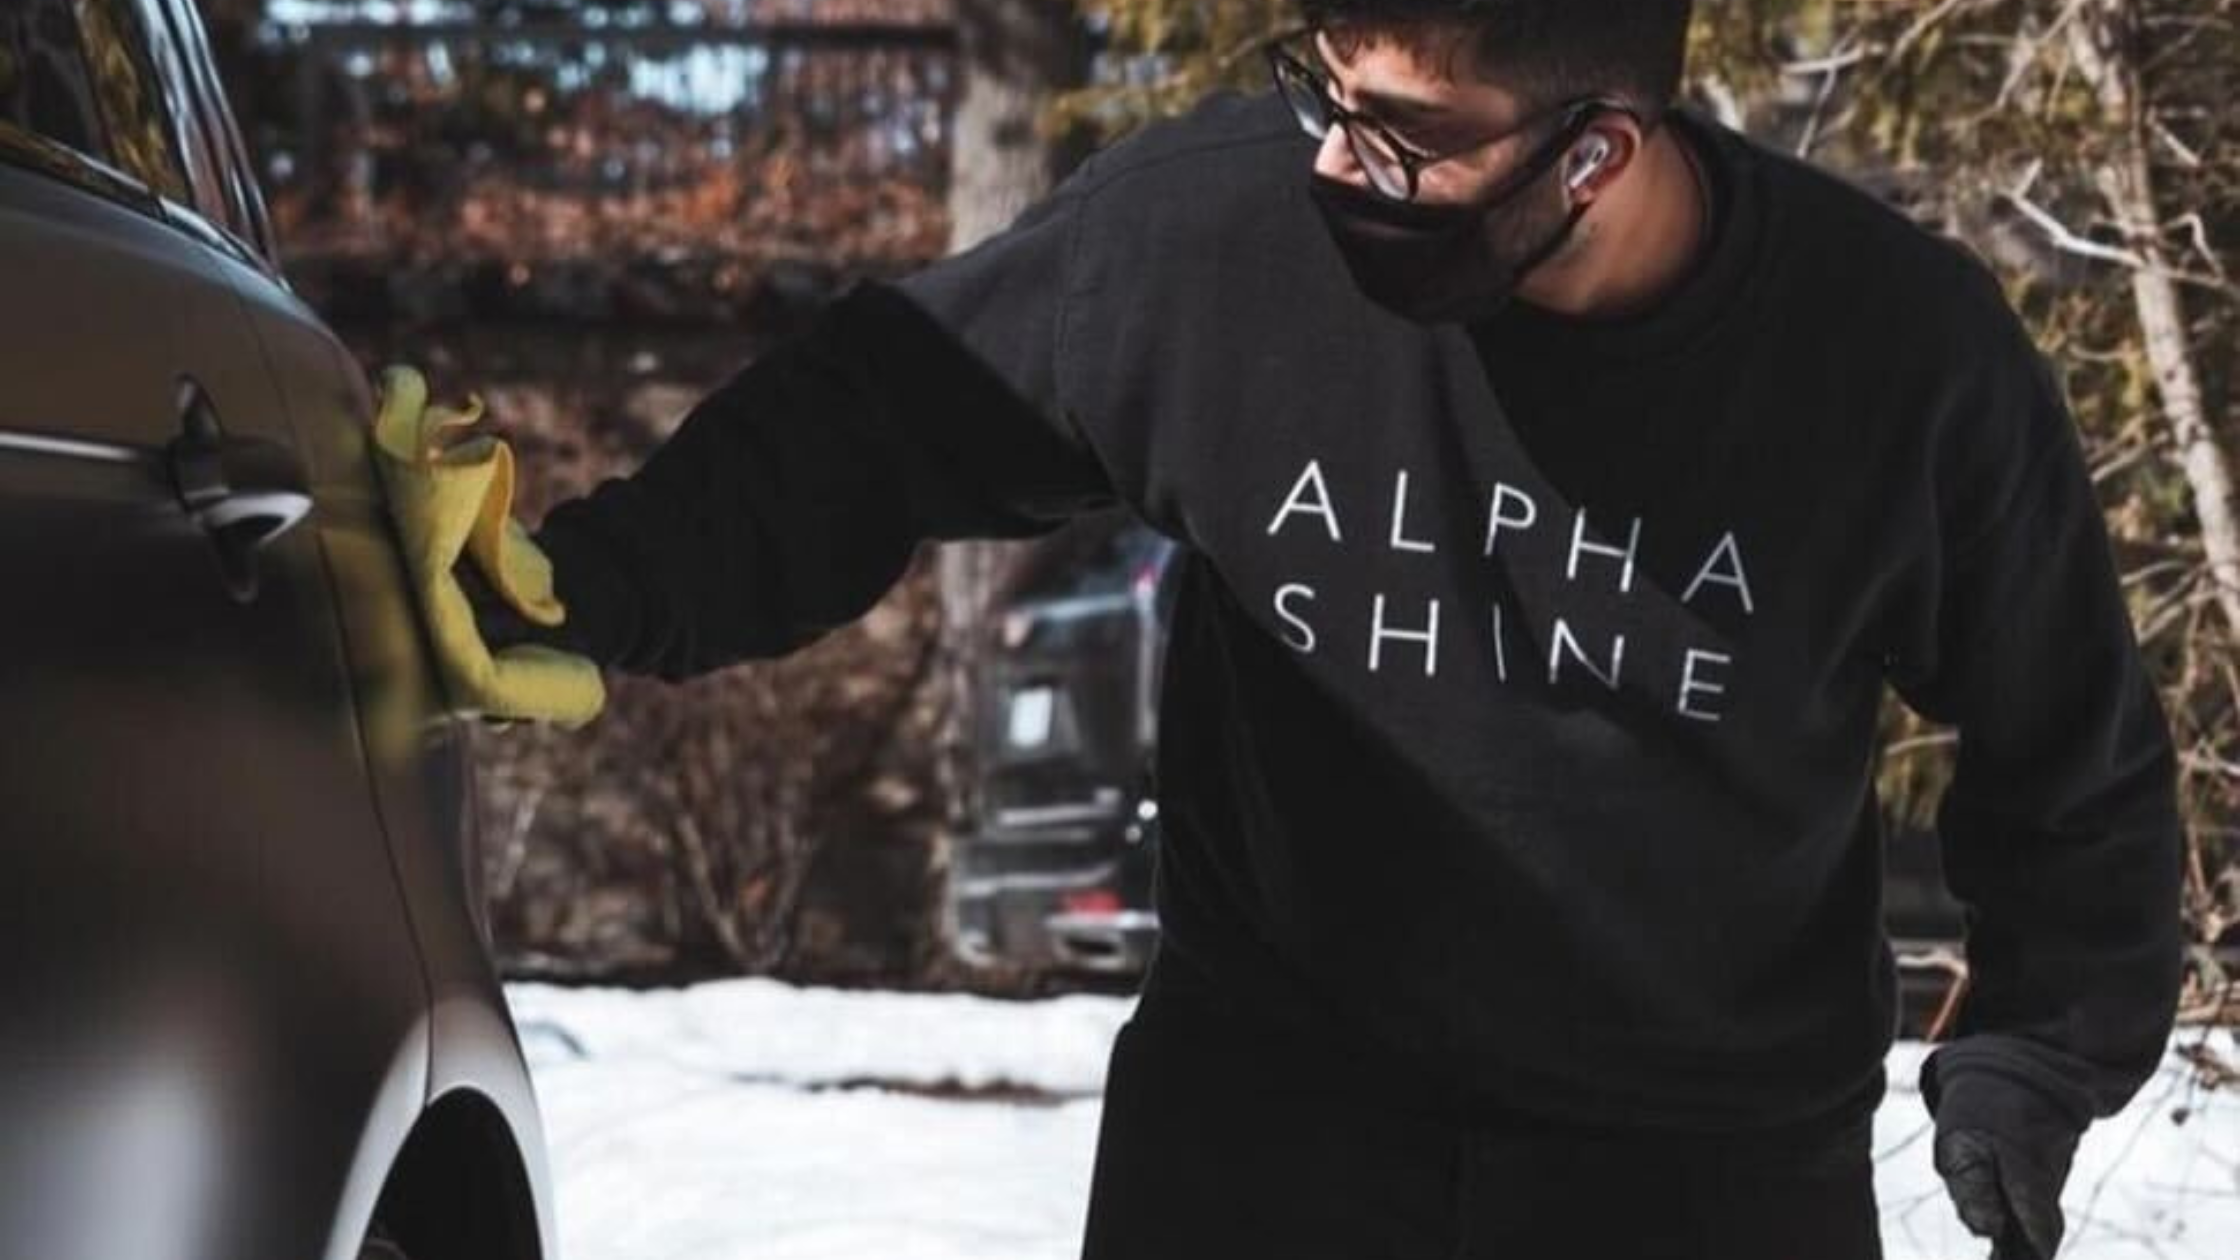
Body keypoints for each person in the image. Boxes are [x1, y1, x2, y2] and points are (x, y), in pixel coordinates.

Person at [449, 1, 2185, 1256]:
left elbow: (2071, 767)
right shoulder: (1208, 238)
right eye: (1327, 96)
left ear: (1595, 152)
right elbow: (875, 421)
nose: (1342, 163)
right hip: (1262, 1140)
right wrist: (600, 586)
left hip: (1701, 1174)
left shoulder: (1898, 363)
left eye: (1406, 138)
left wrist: (2035, 1055)